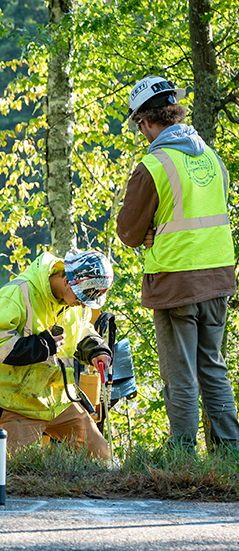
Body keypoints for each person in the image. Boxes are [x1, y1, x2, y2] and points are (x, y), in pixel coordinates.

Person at [117, 76, 239, 453]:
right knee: (213, 368)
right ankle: (230, 453)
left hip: (175, 282)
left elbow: (128, 231)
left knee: (180, 373)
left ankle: (182, 453)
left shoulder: (153, 164)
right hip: (218, 276)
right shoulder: (212, 157)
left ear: (146, 121)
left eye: (139, 125)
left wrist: (149, 231)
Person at [0, 250, 114, 458]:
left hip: (59, 403)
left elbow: (82, 330)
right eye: (82, 297)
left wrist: (96, 349)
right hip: (17, 405)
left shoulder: (75, 302)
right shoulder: (17, 292)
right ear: (67, 280)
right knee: (19, 472)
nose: (84, 304)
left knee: (104, 458)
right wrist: (39, 347)